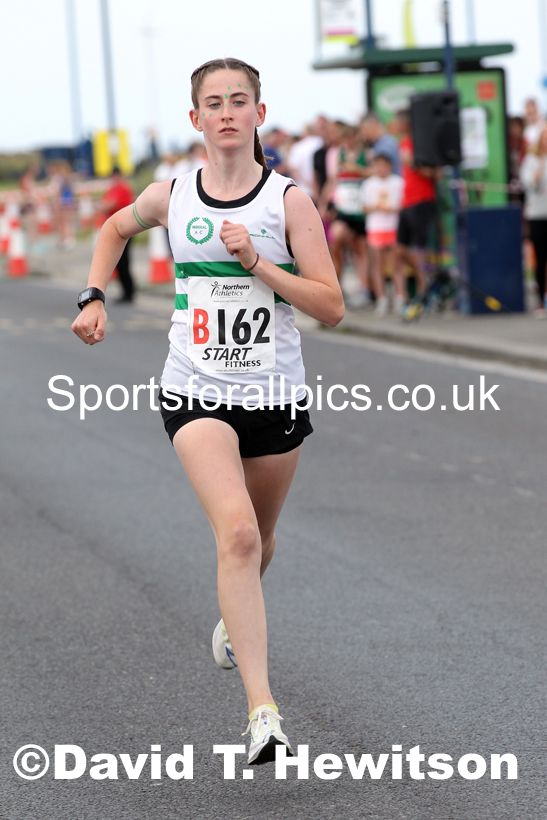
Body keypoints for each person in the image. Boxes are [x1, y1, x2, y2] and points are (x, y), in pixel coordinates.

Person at [71, 57, 344, 765]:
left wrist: (257, 263)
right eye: (213, 103)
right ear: (195, 119)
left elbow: (331, 307)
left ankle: (234, 614)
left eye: (238, 100)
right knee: (238, 537)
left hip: (274, 394)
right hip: (194, 390)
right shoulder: (171, 196)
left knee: (262, 538)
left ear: (258, 112)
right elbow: (111, 229)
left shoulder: (289, 203)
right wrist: (92, 295)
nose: (226, 112)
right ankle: (263, 712)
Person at [393, 109, 440, 298]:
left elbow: (435, 173)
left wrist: (413, 162)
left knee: (421, 248)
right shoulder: (403, 142)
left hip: (422, 199)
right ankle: (424, 283)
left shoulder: (420, 143)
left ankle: (426, 290)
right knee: (400, 249)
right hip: (407, 200)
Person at [360, 153, 404, 316]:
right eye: (377, 165)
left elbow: (403, 206)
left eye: (384, 165)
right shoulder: (369, 184)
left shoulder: (398, 183)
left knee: (396, 264)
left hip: (393, 227)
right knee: (376, 265)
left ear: (390, 166)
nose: (381, 168)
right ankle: (382, 299)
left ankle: (400, 297)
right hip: (376, 228)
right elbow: (364, 207)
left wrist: (391, 208)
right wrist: (375, 207)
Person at [520, 125, 547, 317]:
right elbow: (530, 184)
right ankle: (540, 300)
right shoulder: (531, 160)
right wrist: (541, 165)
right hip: (537, 214)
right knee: (540, 256)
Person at [100, 167, 136, 303]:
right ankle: (125, 291)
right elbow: (104, 204)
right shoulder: (111, 190)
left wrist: (107, 205)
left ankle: (129, 292)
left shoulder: (123, 189)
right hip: (115, 230)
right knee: (118, 263)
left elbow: (111, 205)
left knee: (124, 261)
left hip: (125, 229)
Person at [359, 112, 401, 176]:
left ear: (374, 125)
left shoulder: (386, 145)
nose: (363, 133)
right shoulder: (380, 142)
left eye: (364, 129)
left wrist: (355, 169)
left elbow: (381, 172)